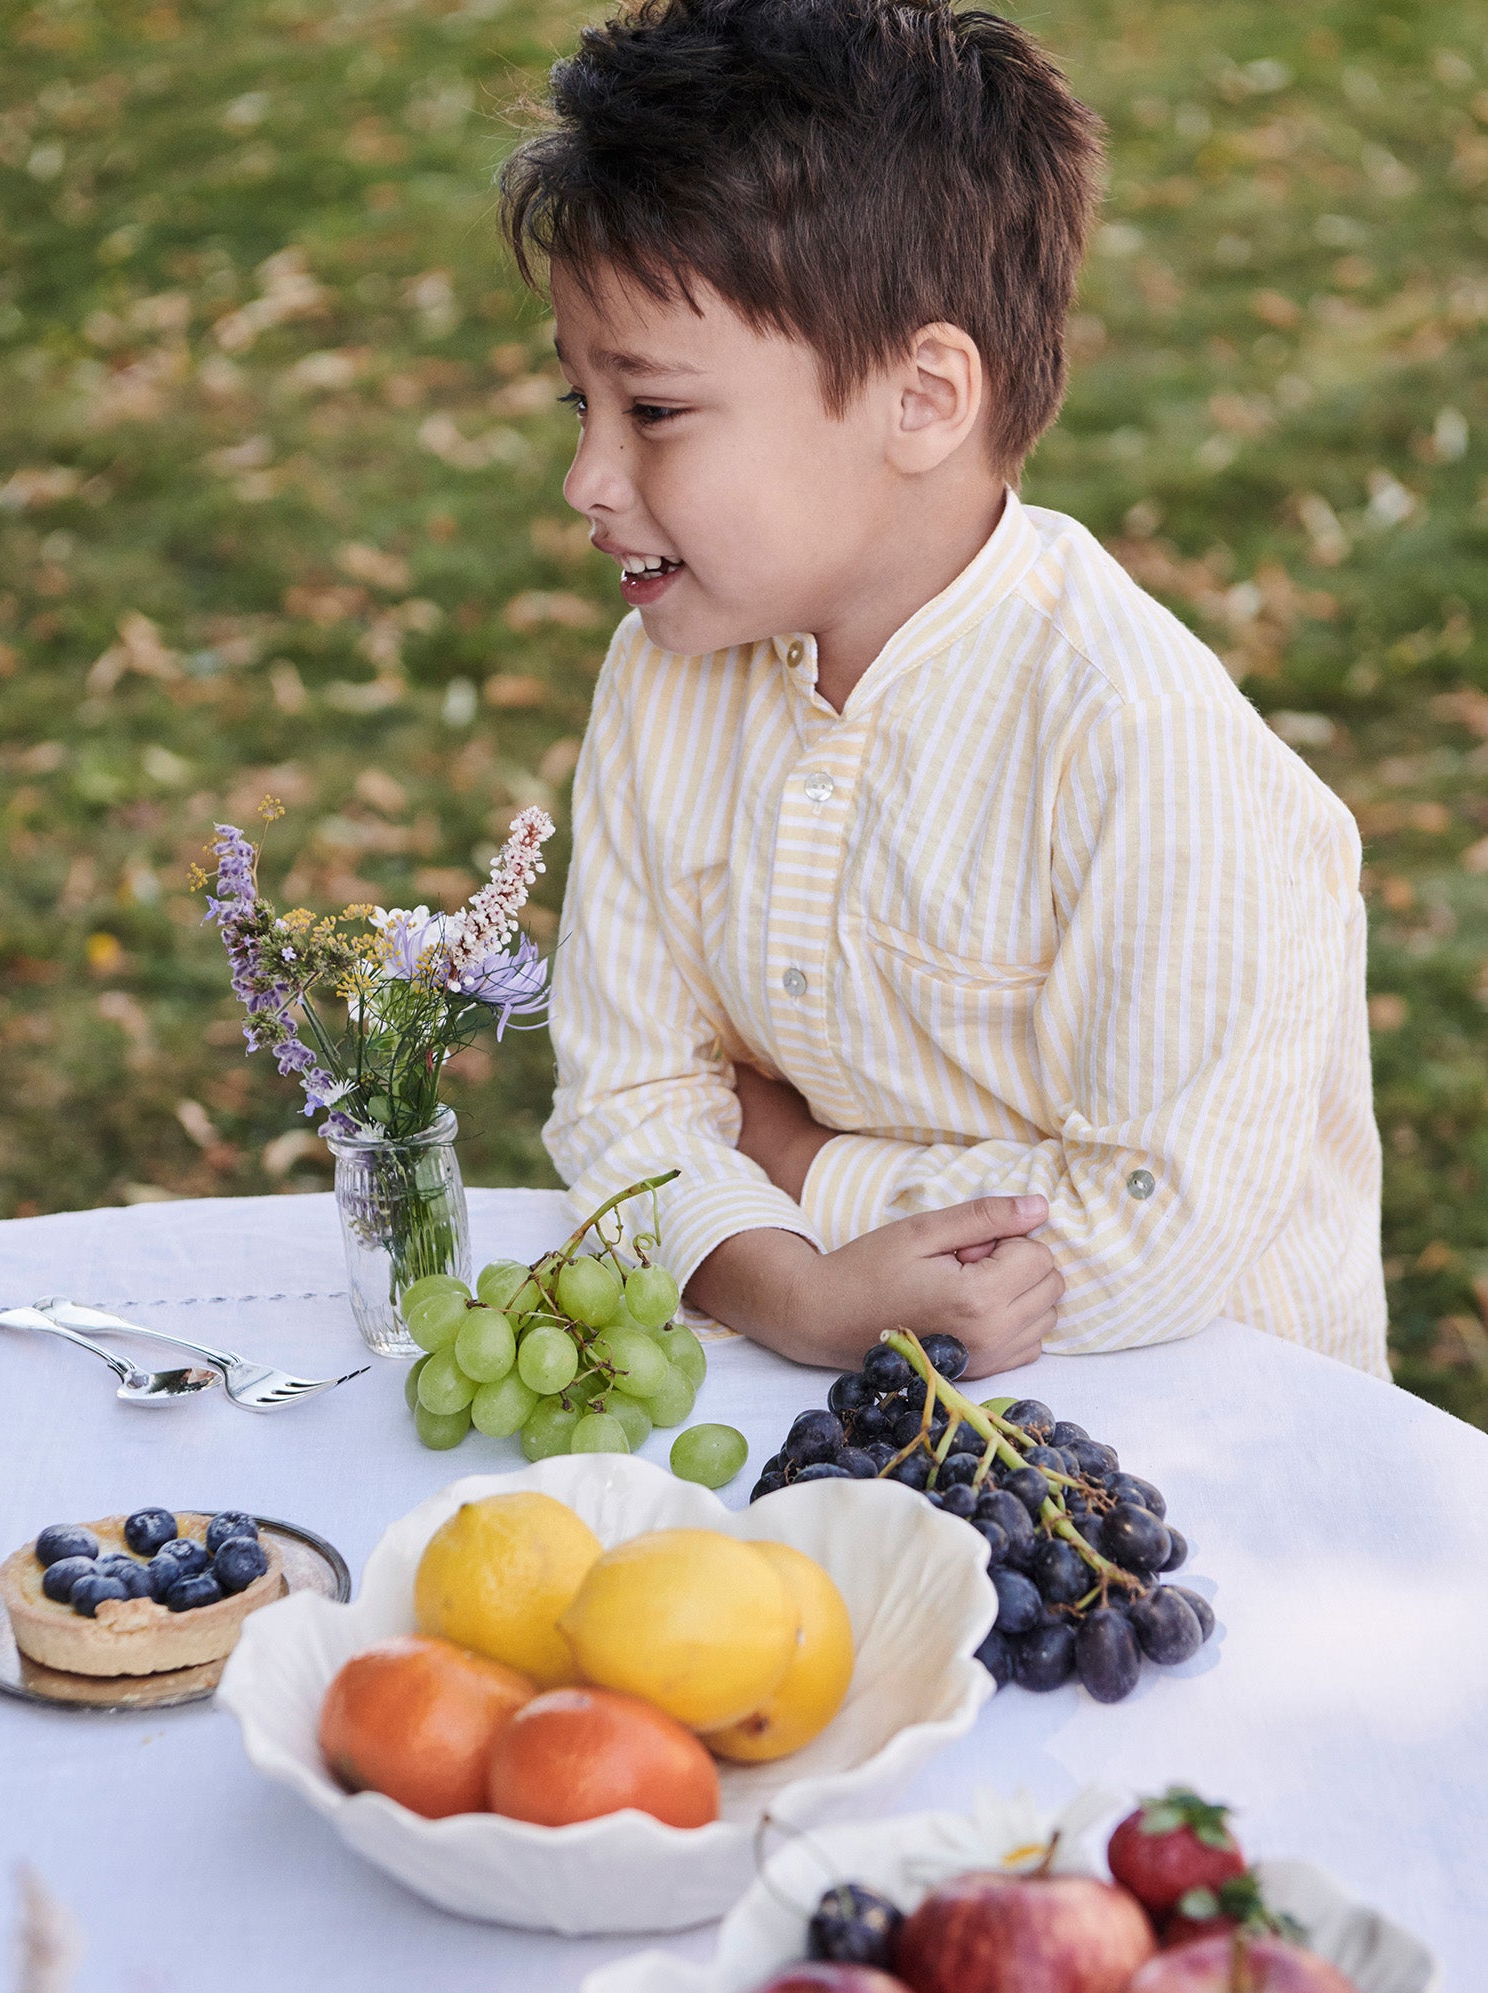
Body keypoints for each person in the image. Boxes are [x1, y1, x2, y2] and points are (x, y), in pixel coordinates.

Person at [503, 0, 1386, 1379]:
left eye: (654, 411)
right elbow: (624, 1101)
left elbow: (1145, 1233)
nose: (588, 482)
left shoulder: (1137, 741)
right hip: (860, 1404)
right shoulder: (665, 675)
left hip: (1212, 1436)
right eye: (582, 407)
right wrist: (799, 1297)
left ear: (923, 397)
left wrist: (803, 1164)